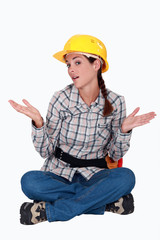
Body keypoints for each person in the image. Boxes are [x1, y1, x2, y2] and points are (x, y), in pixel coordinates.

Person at [9, 34, 156, 225]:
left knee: (127, 177)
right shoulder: (60, 98)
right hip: (59, 174)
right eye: (68, 64)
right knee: (29, 182)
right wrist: (38, 122)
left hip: (95, 175)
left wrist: (124, 130)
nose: (71, 69)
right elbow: (45, 152)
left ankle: (48, 211)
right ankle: (105, 203)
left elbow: (115, 154)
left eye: (77, 62)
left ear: (97, 64)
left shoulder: (116, 102)